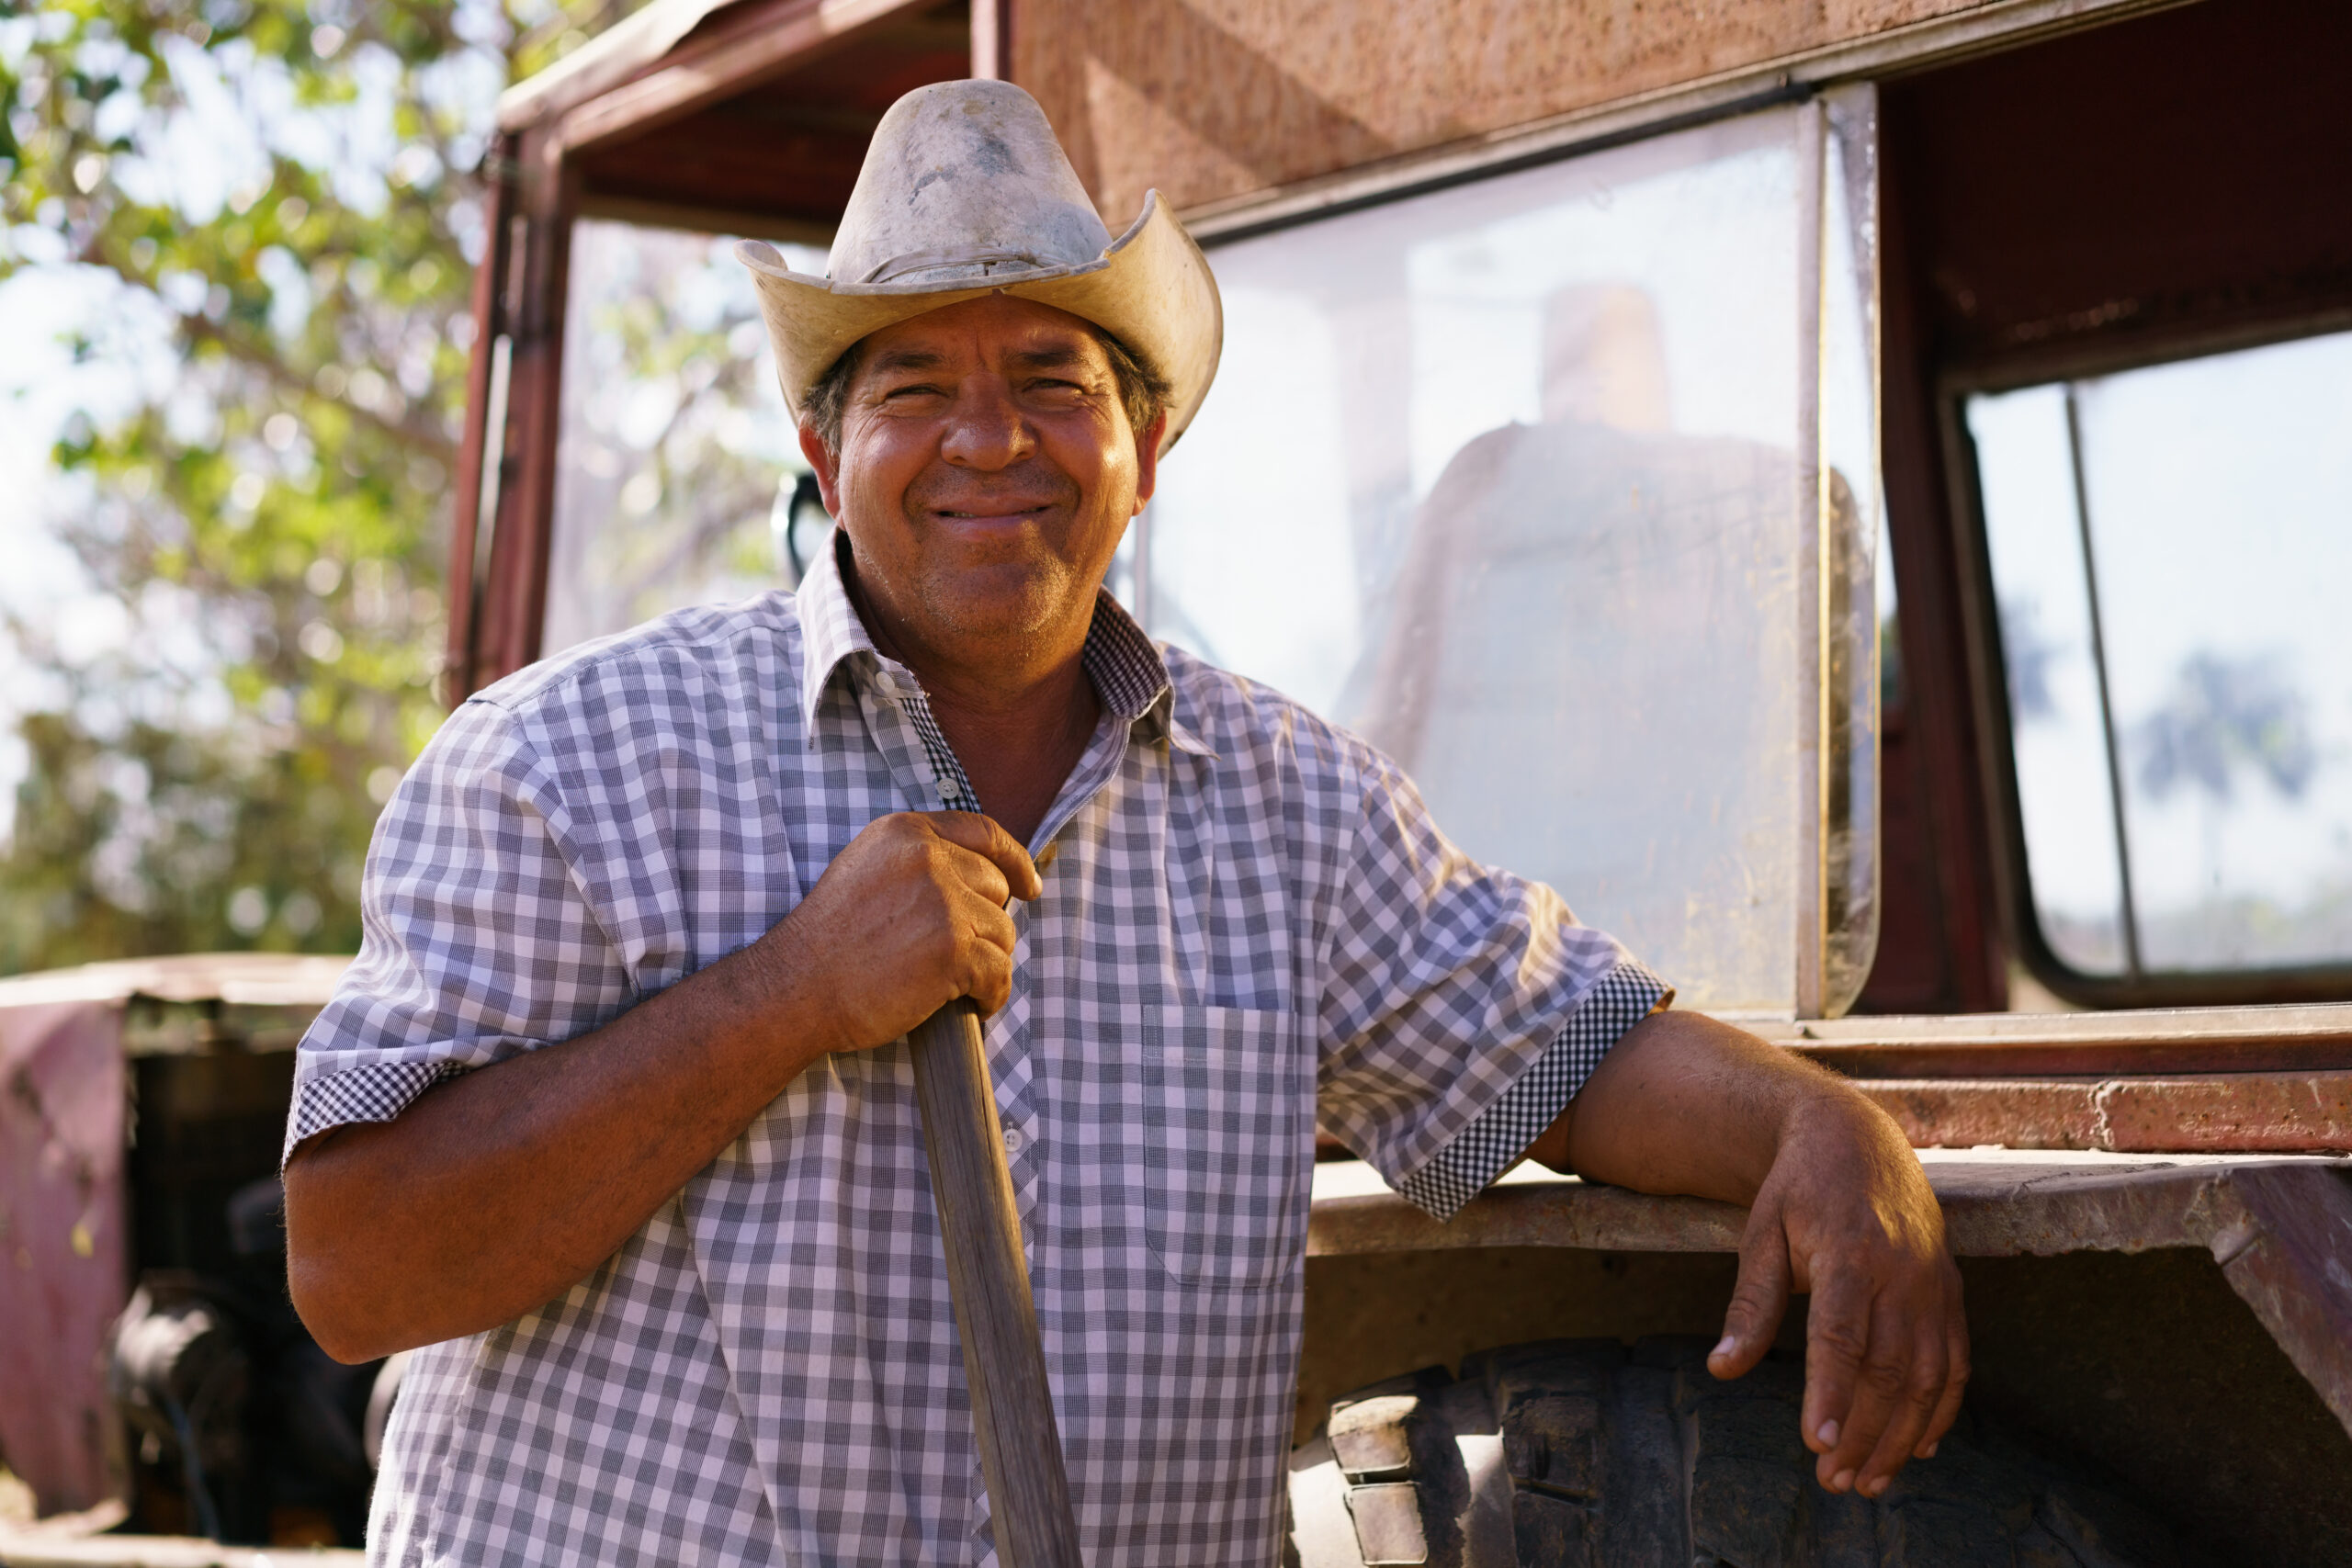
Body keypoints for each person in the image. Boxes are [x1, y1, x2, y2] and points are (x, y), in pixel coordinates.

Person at [282, 80, 1964, 1567]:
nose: (993, 437)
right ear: (825, 443)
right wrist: (789, 994)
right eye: (916, 384)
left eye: (1052, 379)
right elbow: (354, 1269)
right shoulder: (566, 764)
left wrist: (1827, 1138)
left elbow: (1562, 1050)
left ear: (1145, 446)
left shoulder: (1286, 808)